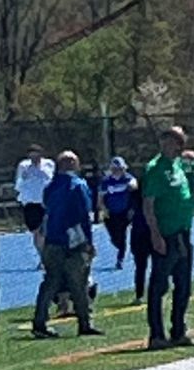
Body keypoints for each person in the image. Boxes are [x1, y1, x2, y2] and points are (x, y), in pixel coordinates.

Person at [30, 151, 101, 340]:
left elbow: (46, 206)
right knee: (79, 282)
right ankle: (84, 322)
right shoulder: (78, 185)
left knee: (50, 282)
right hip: (74, 241)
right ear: (71, 164)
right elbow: (84, 216)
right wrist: (88, 243)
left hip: (52, 239)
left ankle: (39, 322)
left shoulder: (50, 186)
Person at [142, 126, 194, 351]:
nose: (177, 145)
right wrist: (156, 234)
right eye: (174, 141)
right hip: (166, 233)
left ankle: (178, 331)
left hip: (183, 231)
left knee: (183, 285)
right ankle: (156, 334)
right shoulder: (155, 169)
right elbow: (148, 205)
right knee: (159, 285)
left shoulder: (179, 165)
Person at [15, 144, 55, 264]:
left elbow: (52, 180)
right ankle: (43, 257)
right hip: (31, 203)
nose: (34, 158)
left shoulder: (49, 164)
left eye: (36, 155)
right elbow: (18, 184)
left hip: (47, 203)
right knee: (37, 232)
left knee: (47, 231)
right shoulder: (23, 166)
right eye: (31, 156)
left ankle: (48, 257)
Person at [98, 157, 137, 269]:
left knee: (122, 236)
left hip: (123, 213)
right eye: (115, 169)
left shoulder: (127, 178)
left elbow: (134, 185)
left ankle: (120, 259)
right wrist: (103, 209)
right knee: (115, 238)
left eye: (120, 169)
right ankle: (118, 244)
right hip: (110, 213)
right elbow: (100, 198)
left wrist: (132, 186)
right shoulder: (106, 181)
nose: (117, 171)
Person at [129, 198, 152, 306]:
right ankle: (140, 294)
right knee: (141, 266)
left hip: (146, 232)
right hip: (141, 233)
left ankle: (143, 294)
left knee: (142, 267)